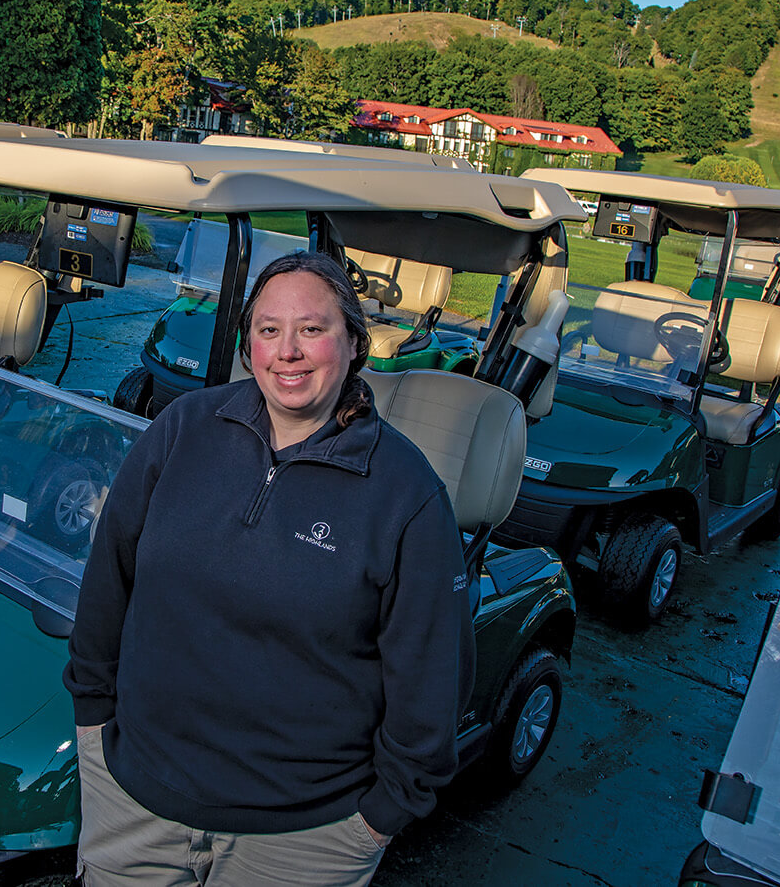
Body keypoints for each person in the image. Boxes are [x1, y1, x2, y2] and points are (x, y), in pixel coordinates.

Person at [64, 250, 474, 886]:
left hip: (304, 839)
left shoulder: (406, 494)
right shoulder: (183, 429)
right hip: (133, 797)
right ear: (248, 341)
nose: (288, 351)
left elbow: (431, 675)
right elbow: (108, 577)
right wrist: (92, 718)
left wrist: (381, 816)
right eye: (268, 329)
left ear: (354, 343)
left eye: (312, 330)